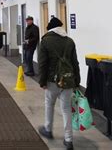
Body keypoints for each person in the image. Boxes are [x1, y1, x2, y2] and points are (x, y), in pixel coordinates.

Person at [37, 17, 80, 150]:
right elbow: (75, 63)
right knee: (66, 109)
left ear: (50, 28)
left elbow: (42, 64)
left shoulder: (45, 41)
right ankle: (68, 140)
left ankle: (48, 129)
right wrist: (76, 81)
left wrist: (42, 81)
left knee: (49, 104)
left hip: (52, 80)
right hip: (67, 80)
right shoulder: (70, 41)